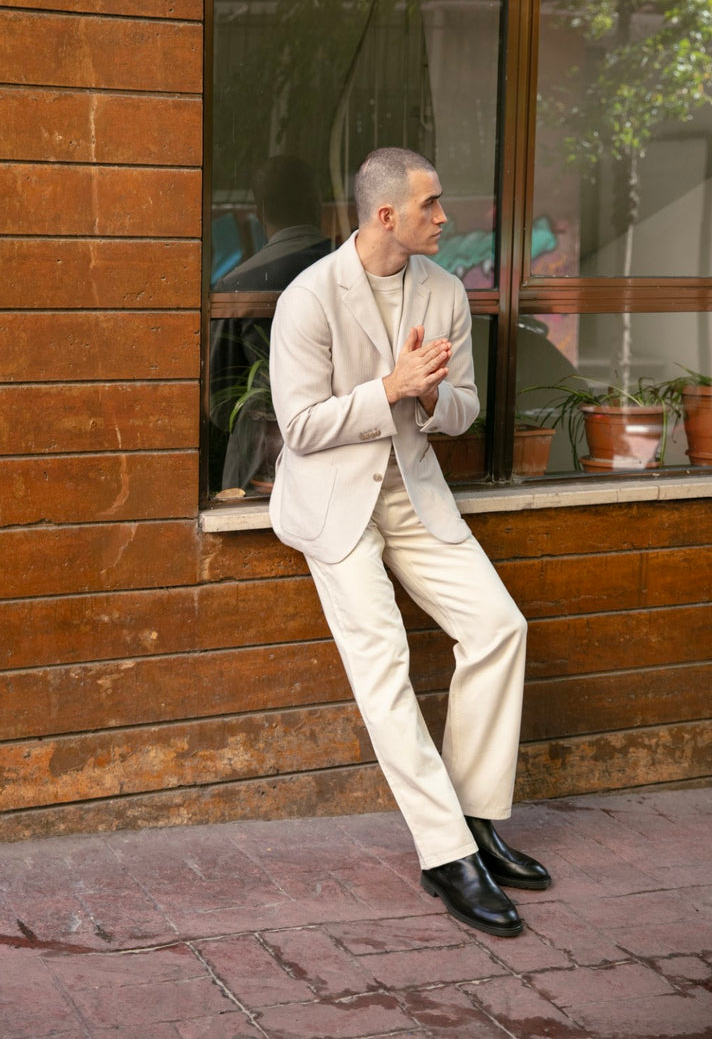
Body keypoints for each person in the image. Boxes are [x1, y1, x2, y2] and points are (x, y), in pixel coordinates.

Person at [269, 147, 550, 938]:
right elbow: (297, 428)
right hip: (335, 504)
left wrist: (427, 398)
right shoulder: (309, 297)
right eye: (431, 205)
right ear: (386, 214)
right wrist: (386, 388)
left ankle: (476, 820)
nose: (445, 216)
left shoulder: (445, 289)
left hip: (413, 491)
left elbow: (465, 408)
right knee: (384, 667)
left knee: (499, 627)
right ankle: (445, 855)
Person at [210, 156, 332, 491]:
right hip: (344, 456)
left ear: (261, 210)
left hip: (259, 464)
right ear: (317, 203)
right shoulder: (352, 273)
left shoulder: (234, 286)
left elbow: (221, 404)